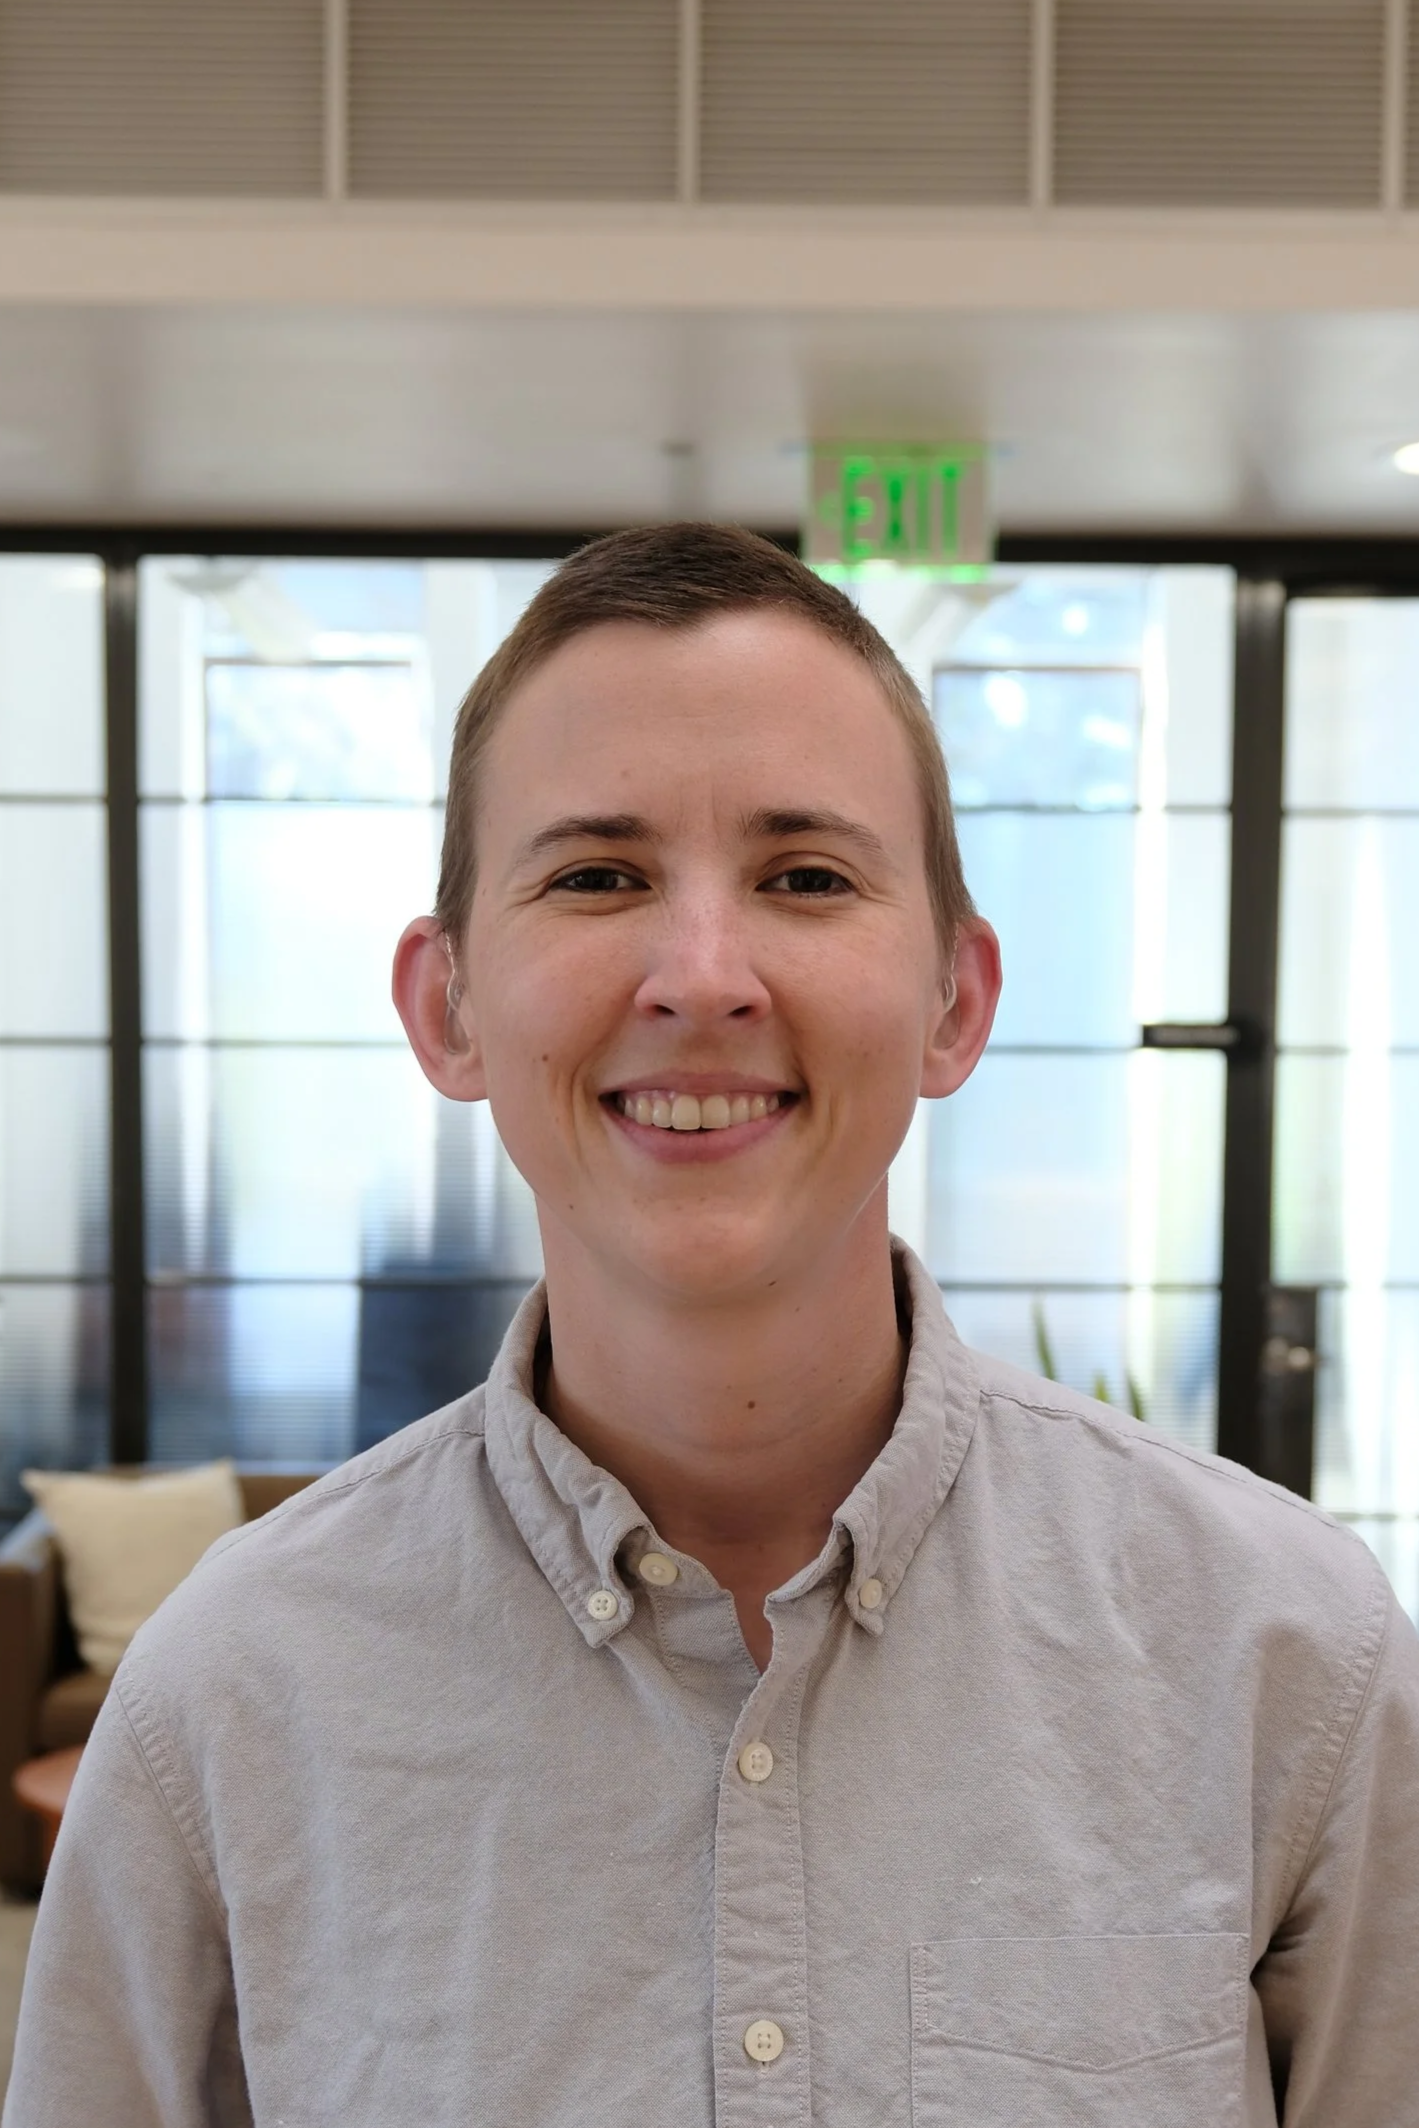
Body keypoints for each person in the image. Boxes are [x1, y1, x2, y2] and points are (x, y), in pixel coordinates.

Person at [6, 524, 1418, 2128]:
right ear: (445, 1006)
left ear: (954, 999)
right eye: (597, 875)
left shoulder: (1285, 1661)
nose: (700, 974)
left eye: (804, 878)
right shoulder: (232, 1696)